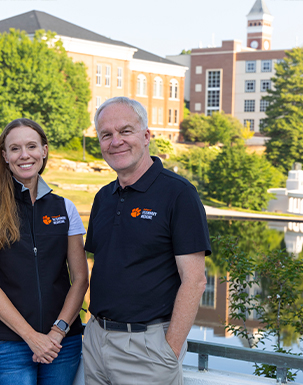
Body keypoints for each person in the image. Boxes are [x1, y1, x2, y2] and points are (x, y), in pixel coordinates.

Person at [83, 97, 212, 384]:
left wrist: (170, 350)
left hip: (147, 349)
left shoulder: (178, 194)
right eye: (106, 135)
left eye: (125, 131)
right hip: (95, 341)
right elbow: (100, 266)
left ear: (146, 136)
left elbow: (194, 280)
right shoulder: (103, 198)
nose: (116, 141)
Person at [0, 118, 89, 385]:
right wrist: (31, 337)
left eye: (32, 146)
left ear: (44, 150)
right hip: (10, 342)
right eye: (15, 148)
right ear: (5, 156)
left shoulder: (65, 209)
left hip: (62, 344)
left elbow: (80, 279)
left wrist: (58, 332)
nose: (24, 155)